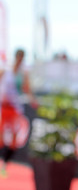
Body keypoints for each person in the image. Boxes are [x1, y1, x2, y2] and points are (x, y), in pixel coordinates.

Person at [0, 48, 35, 177]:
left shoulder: (23, 73)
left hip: (15, 109)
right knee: (1, 137)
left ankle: (4, 165)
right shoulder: (6, 69)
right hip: (3, 107)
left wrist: (33, 100)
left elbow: (27, 89)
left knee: (13, 139)